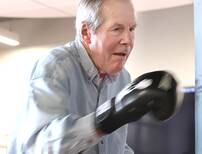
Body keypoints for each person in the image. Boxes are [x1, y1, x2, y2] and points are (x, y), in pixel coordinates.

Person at [8, 0, 181, 153]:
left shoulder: (122, 78)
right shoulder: (56, 67)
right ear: (86, 33)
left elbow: (113, 145)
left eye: (131, 29)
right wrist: (108, 117)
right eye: (117, 29)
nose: (128, 40)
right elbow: (36, 148)